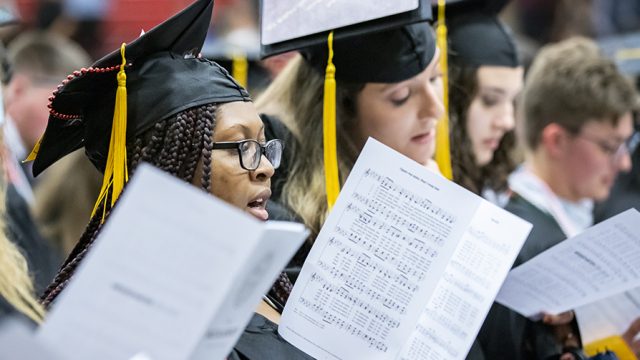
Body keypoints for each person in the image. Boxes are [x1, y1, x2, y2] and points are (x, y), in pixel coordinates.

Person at [28, 1, 309, 358]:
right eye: (240, 145)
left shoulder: (275, 281)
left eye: (262, 145)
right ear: (168, 167)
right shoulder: (109, 324)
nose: (266, 167)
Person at [478, 37, 638, 360]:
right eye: (610, 147)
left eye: (627, 146)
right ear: (557, 140)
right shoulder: (518, 246)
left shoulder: (583, 215)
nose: (624, 163)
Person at [255, 4, 444, 270]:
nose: (436, 109)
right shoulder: (272, 182)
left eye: (436, 78)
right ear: (340, 109)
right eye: (401, 97)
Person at [446, 7, 524, 203]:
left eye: (512, 100)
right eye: (490, 101)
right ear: (450, 98)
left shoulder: (499, 192)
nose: (508, 122)